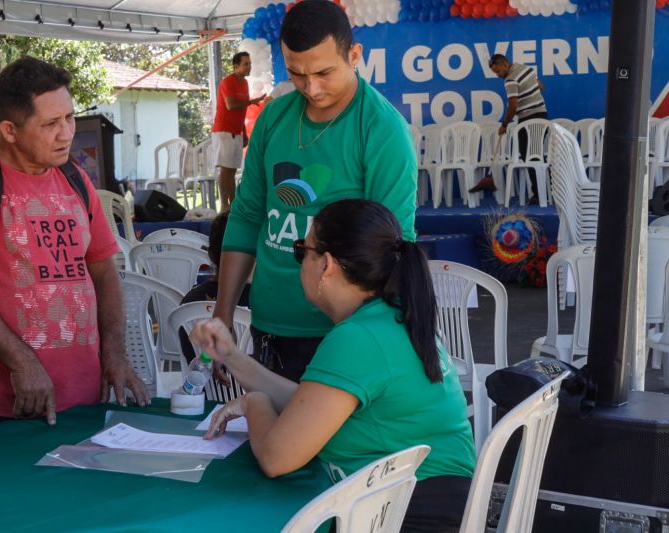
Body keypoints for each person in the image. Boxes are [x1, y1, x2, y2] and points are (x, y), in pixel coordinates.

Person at [193, 199, 475, 532]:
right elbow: (310, 406)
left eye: (302, 250)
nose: (299, 260)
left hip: (406, 517)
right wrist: (231, 355)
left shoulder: (359, 338)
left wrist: (254, 402)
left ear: (326, 264)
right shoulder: (390, 318)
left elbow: (275, 457)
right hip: (432, 507)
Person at [0, 56, 150, 431]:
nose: (67, 133)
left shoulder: (75, 178)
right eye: (50, 124)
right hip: (9, 401)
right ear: (9, 130)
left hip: (86, 395)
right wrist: (23, 363)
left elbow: (103, 270)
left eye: (69, 117)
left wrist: (114, 350)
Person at [213, 0, 418, 384]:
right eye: (297, 73)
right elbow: (246, 217)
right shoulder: (274, 118)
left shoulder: (381, 129)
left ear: (354, 55)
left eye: (324, 72)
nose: (311, 87)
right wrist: (223, 310)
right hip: (271, 324)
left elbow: (395, 244)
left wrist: (366, 338)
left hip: (343, 335)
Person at [471, 54, 548, 205]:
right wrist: (530, 93)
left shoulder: (510, 80)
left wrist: (504, 124)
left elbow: (513, 106)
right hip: (542, 116)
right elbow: (540, 86)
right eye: (495, 73)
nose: (498, 75)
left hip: (528, 120)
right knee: (538, 156)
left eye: (498, 71)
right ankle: (547, 191)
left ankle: (539, 194)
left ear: (505, 64)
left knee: (529, 157)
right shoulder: (526, 69)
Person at [178, 211, 250, 363]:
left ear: (210, 254)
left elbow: (190, 359)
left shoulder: (189, 303)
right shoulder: (266, 305)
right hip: (256, 385)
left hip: (204, 385)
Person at [212, 51, 266, 212]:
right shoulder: (227, 82)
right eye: (246, 64)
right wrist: (252, 102)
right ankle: (224, 204)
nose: (249, 67)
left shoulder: (244, 84)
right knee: (226, 169)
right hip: (223, 130)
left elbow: (240, 111)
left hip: (236, 130)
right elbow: (231, 105)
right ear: (236, 66)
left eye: (250, 63)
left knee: (233, 169)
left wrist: (243, 131)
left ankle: (233, 202)